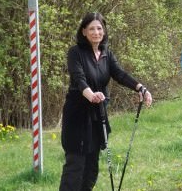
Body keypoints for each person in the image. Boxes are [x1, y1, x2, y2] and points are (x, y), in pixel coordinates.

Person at [59, 12, 152, 191]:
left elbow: (120, 74)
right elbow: (79, 79)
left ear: (104, 31)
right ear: (84, 31)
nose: (96, 32)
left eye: (99, 28)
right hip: (78, 117)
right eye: (92, 28)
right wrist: (90, 94)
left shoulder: (106, 54)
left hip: (97, 115)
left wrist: (140, 88)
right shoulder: (75, 52)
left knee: (92, 167)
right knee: (76, 166)